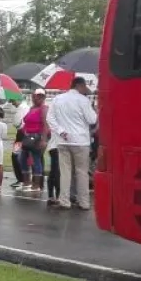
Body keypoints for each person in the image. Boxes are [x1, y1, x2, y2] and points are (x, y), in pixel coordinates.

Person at [46, 76, 98, 211]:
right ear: (80, 86)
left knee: (65, 172)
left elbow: (50, 118)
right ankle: (84, 202)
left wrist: (61, 131)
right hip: (81, 141)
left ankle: (64, 200)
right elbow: (92, 120)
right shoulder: (84, 100)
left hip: (63, 140)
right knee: (81, 172)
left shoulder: (58, 99)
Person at [21, 89, 49, 192]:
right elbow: (26, 121)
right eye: (36, 96)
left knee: (36, 160)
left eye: (40, 96)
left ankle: (36, 185)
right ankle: (26, 182)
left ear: (43, 98)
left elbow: (45, 124)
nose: (37, 98)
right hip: (28, 136)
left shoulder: (43, 108)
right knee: (22, 158)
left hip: (37, 136)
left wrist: (44, 140)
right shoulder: (32, 108)